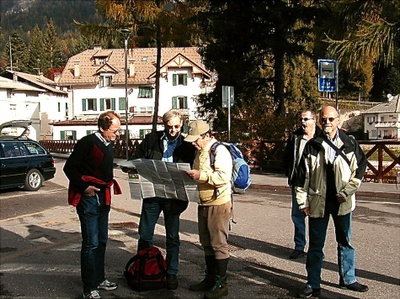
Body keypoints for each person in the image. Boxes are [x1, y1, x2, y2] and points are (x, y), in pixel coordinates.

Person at [295, 106, 369, 298]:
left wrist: (348, 191)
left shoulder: (350, 143)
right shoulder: (312, 145)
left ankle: (348, 279)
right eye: (324, 119)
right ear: (320, 121)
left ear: (338, 120)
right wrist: (302, 202)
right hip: (318, 202)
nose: (327, 123)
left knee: (345, 242)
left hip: (342, 201)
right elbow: (302, 177)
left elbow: (360, 170)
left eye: (331, 119)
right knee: (316, 245)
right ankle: (313, 284)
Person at [132, 109, 195, 290]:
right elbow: (137, 157)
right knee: (145, 234)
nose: (172, 130)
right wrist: (134, 166)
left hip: (174, 197)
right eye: (169, 127)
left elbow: (193, 167)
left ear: (181, 125)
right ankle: (143, 268)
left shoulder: (187, 144)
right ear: (164, 125)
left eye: (176, 126)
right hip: (152, 194)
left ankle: (171, 272)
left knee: (172, 237)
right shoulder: (152, 139)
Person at [63, 111, 122, 299]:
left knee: (102, 240)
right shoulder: (87, 143)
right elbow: (69, 168)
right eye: (114, 131)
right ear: (102, 127)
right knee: (91, 243)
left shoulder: (108, 143)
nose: (117, 135)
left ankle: (99, 278)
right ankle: (89, 288)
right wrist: (84, 187)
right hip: (89, 198)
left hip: (103, 196)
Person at [185, 120, 232, 299]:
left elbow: (223, 176)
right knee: (206, 242)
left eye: (196, 140)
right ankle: (210, 278)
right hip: (203, 202)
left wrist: (201, 176)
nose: (194, 144)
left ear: (206, 136)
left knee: (218, 243)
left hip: (218, 202)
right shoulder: (200, 151)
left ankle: (221, 284)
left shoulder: (219, 151)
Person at [283, 110, 322, 259]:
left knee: (316, 216)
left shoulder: (321, 137)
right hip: (298, 182)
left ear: (314, 120)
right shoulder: (296, 136)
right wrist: (289, 174)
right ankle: (299, 246)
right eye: (301, 119)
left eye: (306, 119)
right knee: (297, 216)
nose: (303, 122)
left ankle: (315, 247)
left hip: (317, 183)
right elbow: (287, 157)